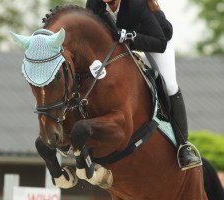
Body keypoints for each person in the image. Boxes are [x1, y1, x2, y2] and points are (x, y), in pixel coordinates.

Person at [86, 0, 202, 170]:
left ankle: (184, 146)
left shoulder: (136, 4)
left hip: (156, 41)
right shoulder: (94, 4)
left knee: (169, 85)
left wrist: (129, 36)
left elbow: (160, 42)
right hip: (122, 47)